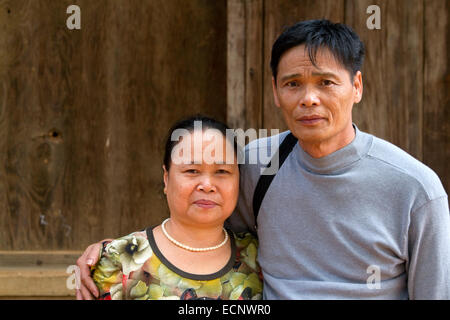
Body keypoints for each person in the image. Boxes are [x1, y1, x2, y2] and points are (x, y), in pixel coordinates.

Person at [77, 19, 450, 300]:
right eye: (293, 84)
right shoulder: (253, 163)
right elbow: (199, 222)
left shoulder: (414, 188)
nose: (308, 99)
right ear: (275, 91)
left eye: (326, 82)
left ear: (357, 86)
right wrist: (118, 253)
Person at [85, 116, 263, 300]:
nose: (207, 185)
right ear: (166, 177)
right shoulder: (118, 260)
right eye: (192, 171)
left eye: (222, 171)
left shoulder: (258, 255)